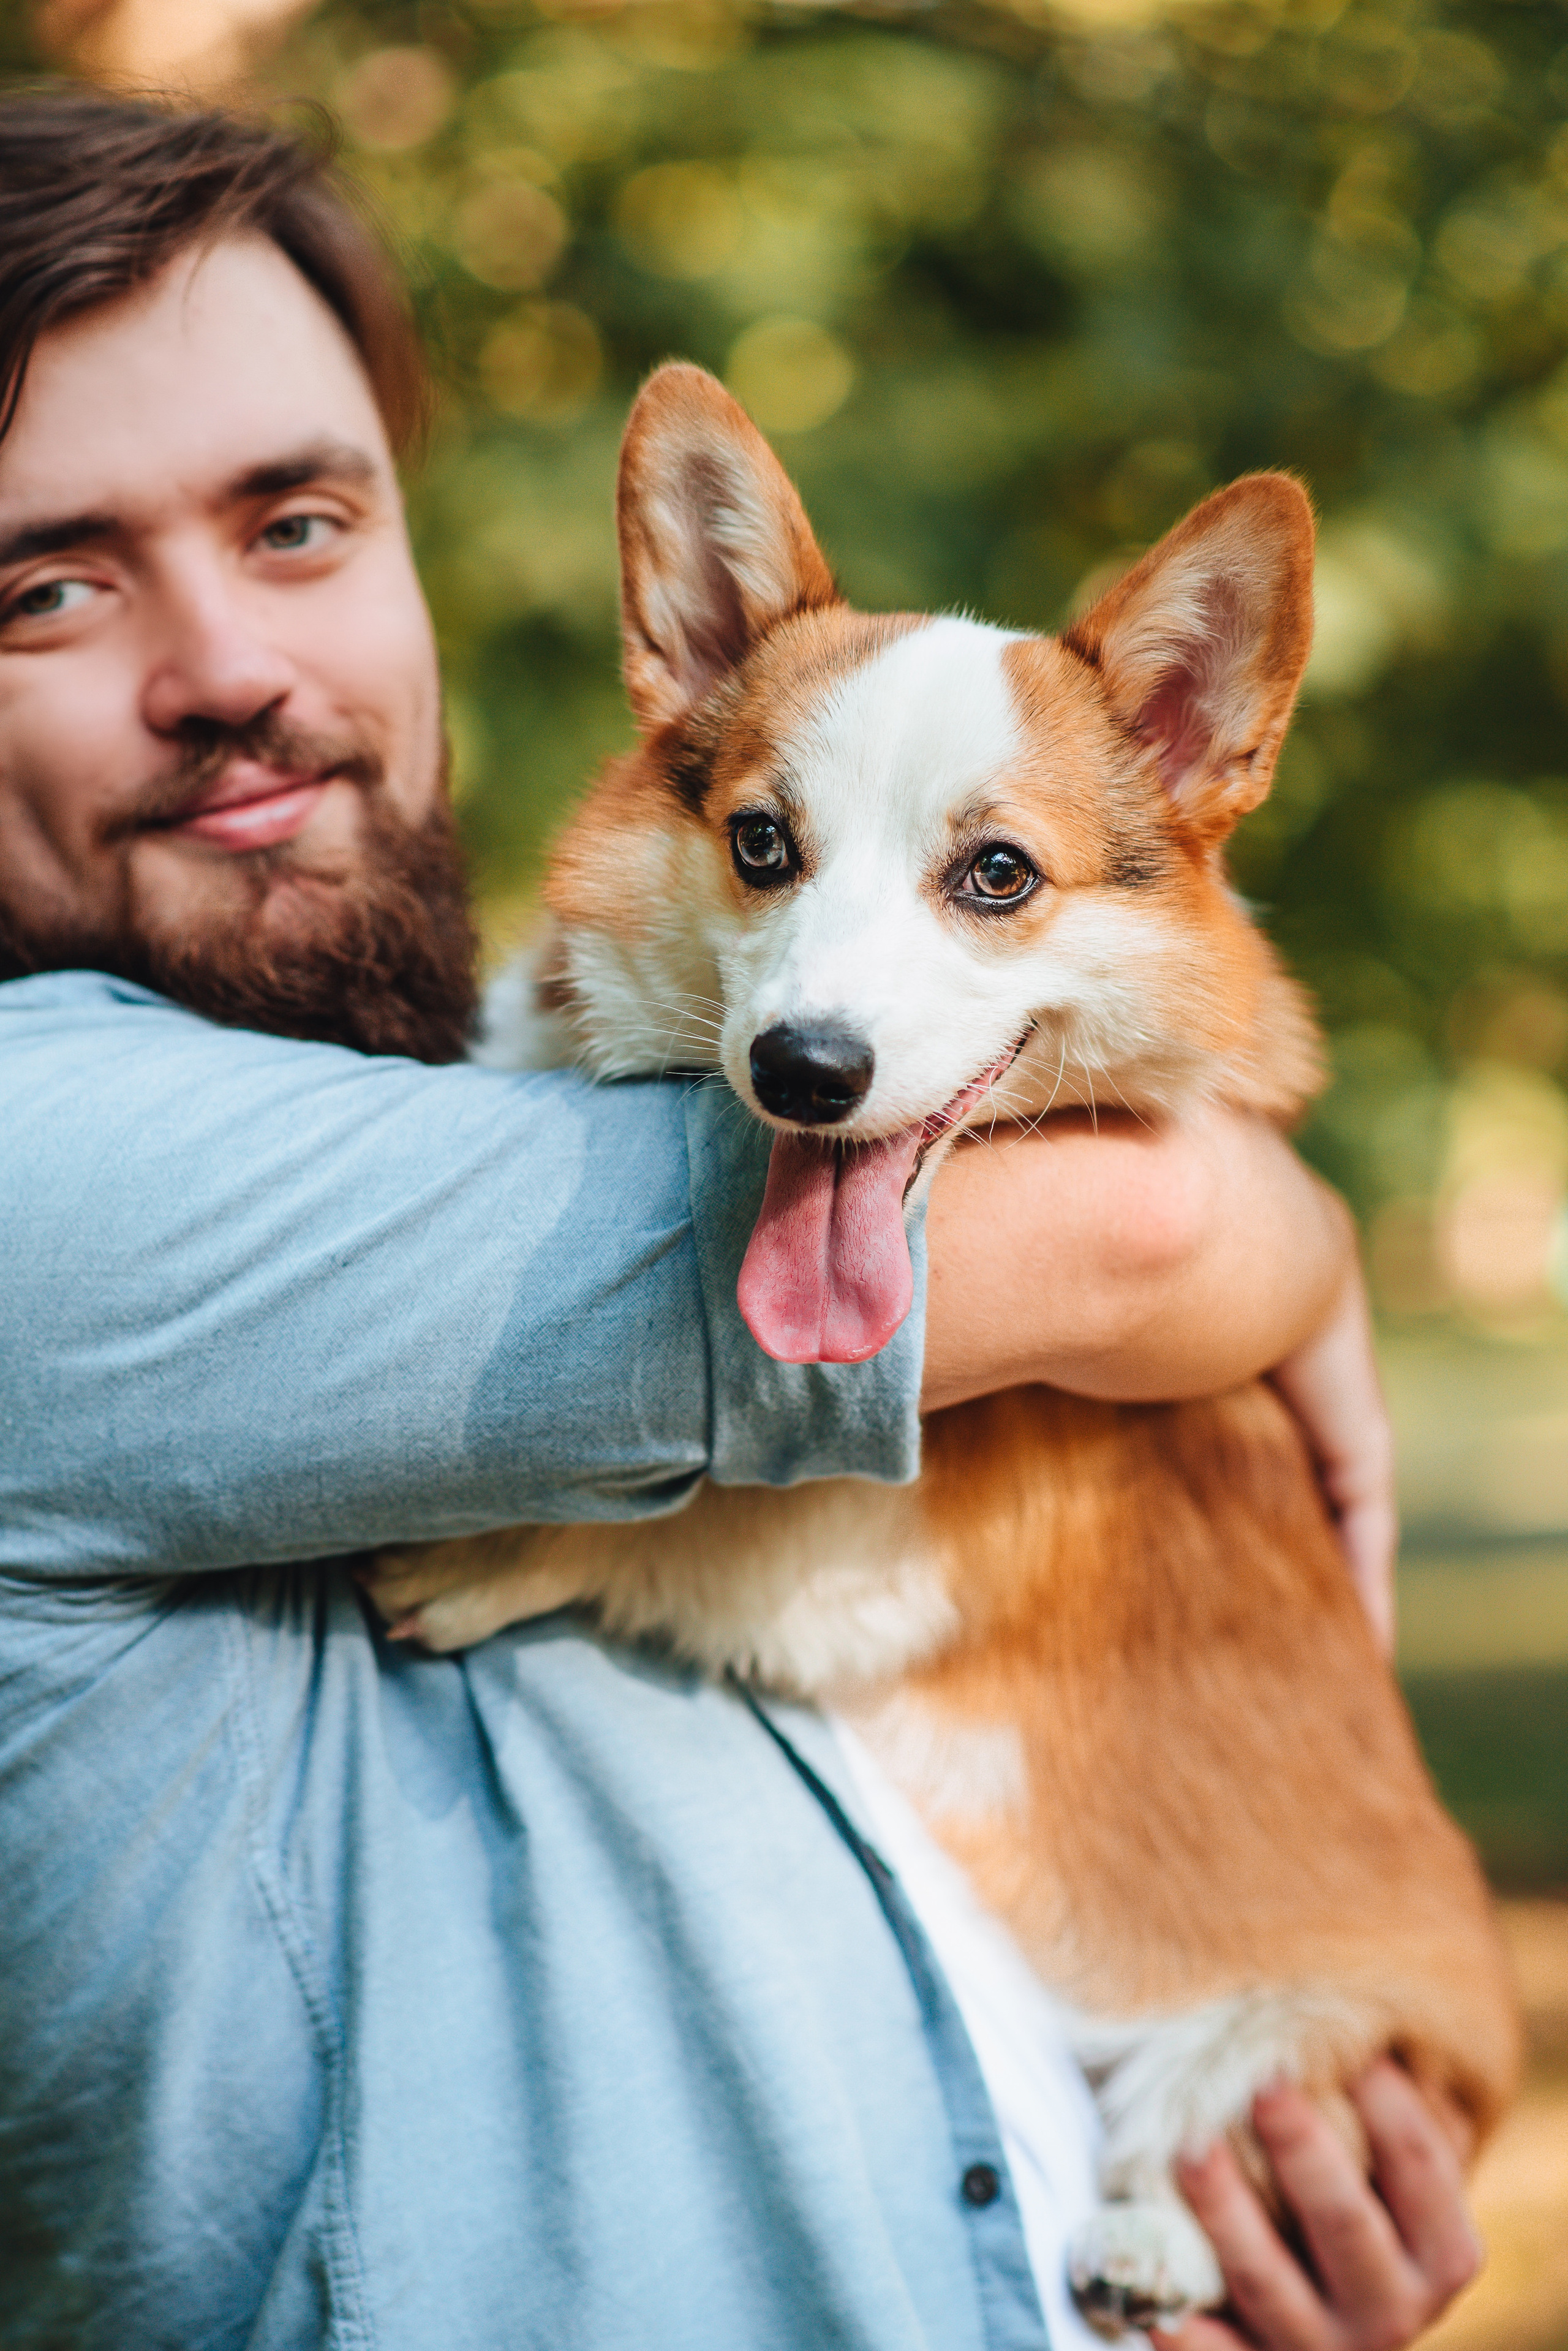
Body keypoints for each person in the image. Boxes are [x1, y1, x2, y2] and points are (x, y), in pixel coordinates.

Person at [0, 85, 1480, 2351]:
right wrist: (1279, 1248)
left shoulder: (403, 1126)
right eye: (47, 584)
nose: (229, 666)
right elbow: (1151, 1241)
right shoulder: (53, 1184)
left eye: (296, 521)